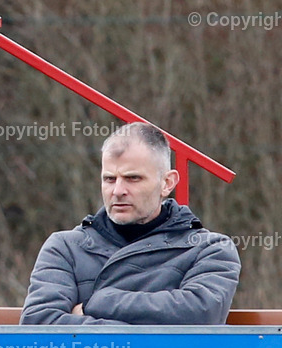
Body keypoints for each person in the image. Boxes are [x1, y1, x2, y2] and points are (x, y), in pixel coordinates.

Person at [20, 122, 240, 325]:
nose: (117, 191)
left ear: (167, 183)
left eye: (133, 178)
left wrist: (97, 304)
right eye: (109, 179)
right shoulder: (65, 247)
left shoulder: (211, 249)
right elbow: (40, 325)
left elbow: (200, 315)